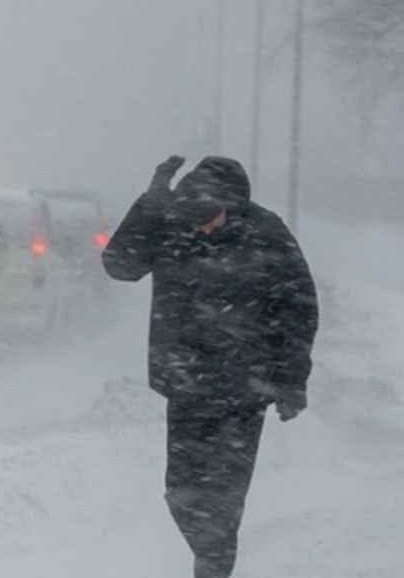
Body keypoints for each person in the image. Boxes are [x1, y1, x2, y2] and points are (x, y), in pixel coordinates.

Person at [102, 156, 319, 578]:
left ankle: (213, 567)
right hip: (185, 383)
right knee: (180, 493)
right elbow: (120, 266)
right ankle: (211, 555)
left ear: (232, 204)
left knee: (222, 497)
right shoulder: (169, 222)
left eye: (210, 218)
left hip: (244, 390)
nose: (202, 229)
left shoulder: (266, 234)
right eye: (193, 219)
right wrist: (149, 205)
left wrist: (291, 379)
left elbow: (298, 308)